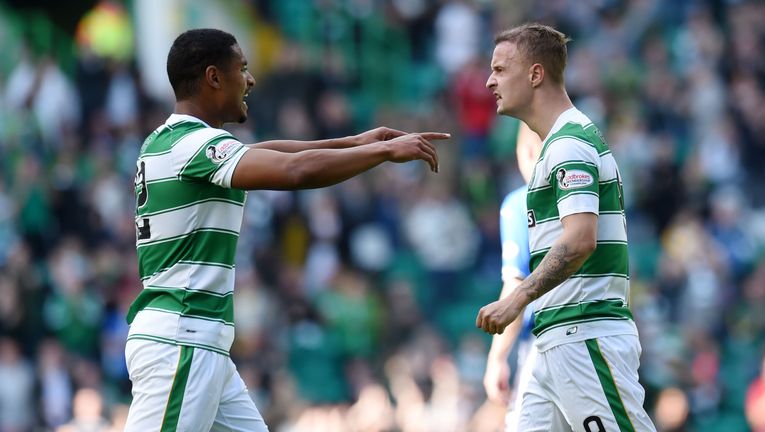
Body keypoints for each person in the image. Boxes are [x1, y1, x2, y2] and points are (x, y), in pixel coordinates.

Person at [124, 28, 448, 432]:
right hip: (182, 339)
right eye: (242, 68)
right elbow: (294, 171)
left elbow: (270, 152)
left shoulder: (168, 141)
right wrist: (381, 152)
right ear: (213, 77)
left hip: (197, 341)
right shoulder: (191, 146)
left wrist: (354, 142)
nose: (251, 79)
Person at [476, 23, 656, 431]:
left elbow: (579, 241)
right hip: (552, 341)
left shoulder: (569, 144)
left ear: (536, 74)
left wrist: (516, 299)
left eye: (501, 70)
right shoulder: (554, 146)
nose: (489, 81)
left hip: (585, 334)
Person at [483, 121, 541, 430]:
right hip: (604, 337)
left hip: (546, 344)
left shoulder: (522, 203)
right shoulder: (596, 195)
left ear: (527, 152)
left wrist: (497, 358)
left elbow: (516, 287)